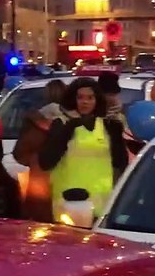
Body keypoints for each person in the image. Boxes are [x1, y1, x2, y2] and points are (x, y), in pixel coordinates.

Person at [37, 78, 128, 223]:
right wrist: (68, 130)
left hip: (101, 206)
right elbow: (45, 162)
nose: (85, 102)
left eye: (90, 98)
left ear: (97, 100)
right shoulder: (61, 124)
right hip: (69, 204)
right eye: (80, 97)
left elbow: (120, 162)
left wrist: (117, 136)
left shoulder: (108, 126)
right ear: (73, 99)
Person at [13, 79, 71, 222]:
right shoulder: (76, 120)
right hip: (69, 181)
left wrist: (35, 160)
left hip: (40, 183)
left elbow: (20, 153)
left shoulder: (36, 121)